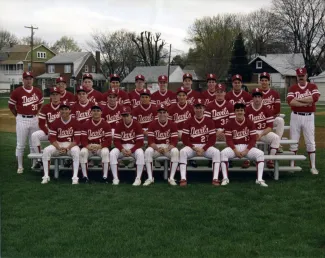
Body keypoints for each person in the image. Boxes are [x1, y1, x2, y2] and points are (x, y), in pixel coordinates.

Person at [220, 103, 268, 187]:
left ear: (244, 111)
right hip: (234, 147)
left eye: (241, 110)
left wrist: (247, 150)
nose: (239, 112)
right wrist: (235, 150)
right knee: (223, 153)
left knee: (260, 154)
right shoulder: (229, 123)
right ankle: (225, 178)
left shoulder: (249, 122)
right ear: (234, 112)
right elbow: (229, 140)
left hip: (247, 147)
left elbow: (253, 139)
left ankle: (259, 179)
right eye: (237, 110)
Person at [286, 67, 321, 175]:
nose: (301, 77)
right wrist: (306, 102)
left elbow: (314, 98)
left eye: (303, 75)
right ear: (297, 77)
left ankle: (313, 167)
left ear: (306, 76)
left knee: (310, 142)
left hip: (309, 117)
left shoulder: (312, 86)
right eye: (299, 76)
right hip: (295, 116)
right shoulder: (292, 88)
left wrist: (299, 100)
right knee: (294, 141)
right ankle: (292, 166)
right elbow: (291, 102)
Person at [179, 98, 221, 186]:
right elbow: (184, 138)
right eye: (197, 108)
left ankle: (215, 178)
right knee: (182, 152)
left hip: (205, 147)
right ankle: (183, 178)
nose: (198, 110)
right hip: (192, 147)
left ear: (204, 109)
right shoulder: (188, 121)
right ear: (194, 109)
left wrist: (204, 148)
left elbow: (212, 138)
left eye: (200, 108)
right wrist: (193, 147)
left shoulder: (209, 121)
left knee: (216, 152)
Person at [8, 71, 44, 174]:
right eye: (26, 79)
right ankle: (20, 166)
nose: (28, 80)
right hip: (22, 119)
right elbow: (11, 106)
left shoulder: (37, 91)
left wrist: (35, 112)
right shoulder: (17, 91)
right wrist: (17, 115)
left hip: (34, 118)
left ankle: (34, 164)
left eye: (30, 78)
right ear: (23, 80)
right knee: (20, 144)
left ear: (33, 80)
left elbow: (40, 103)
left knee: (33, 143)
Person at [41, 101, 81, 184]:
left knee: (76, 151)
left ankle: (75, 177)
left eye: (66, 109)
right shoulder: (55, 122)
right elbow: (52, 139)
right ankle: (46, 176)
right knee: (46, 150)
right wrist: (59, 148)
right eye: (62, 109)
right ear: (59, 111)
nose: (64, 111)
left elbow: (77, 140)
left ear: (70, 111)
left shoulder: (75, 122)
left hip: (70, 145)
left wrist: (67, 148)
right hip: (58, 145)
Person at [145, 104, 179, 186]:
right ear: (157, 114)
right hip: (156, 147)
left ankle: (171, 178)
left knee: (175, 151)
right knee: (147, 151)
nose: (162, 114)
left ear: (167, 114)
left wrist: (167, 149)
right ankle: (150, 178)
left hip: (167, 147)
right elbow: (150, 141)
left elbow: (174, 141)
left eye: (164, 112)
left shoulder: (172, 124)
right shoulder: (152, 124)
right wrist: (157, 148)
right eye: (160, 112)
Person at [109, 106, 145, 185]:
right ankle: (115, 178)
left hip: (134, 147)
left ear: (131, 115)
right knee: (112, 153)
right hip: (122, 147)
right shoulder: (119, 124)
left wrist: (132, 150)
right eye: (123, 116)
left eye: (127, 115)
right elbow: (116, 141)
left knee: (141, 153)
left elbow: (140, 142)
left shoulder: (137, 124)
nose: (125, 117)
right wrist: (122, 149)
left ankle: (138, 178)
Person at [251, 72, 285, 152]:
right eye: (262, 80)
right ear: (260, 82)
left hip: (271, 118)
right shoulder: (256, 93)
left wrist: (267, 115)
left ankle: (278, 143)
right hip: (259, 120)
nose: (264, 82)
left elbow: (277, 109)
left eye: (266, 80)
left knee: (280, 120)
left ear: (269, 81)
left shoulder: (275, 93)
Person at [246, 91, 280, 169]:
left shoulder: (267, 109)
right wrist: (253, 134)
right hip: (251, 132)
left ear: (262, 99)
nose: (257, 99)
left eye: (259, 97)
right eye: (255, 97)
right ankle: (247, 160)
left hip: (263, 132)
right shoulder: (247, 109)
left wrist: (260, 135)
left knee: (276, 138)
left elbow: (270, 127)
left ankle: (270, 160)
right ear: (252, 98)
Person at [225, 74, 253, 168]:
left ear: (242, 84)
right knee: (230, 138)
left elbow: (249, 111)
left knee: (249, 136)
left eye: (239, 82)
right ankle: (229, 158)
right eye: (235, 83)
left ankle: (247, 159)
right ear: (232, 84)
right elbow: (225, 111)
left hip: (244, 121)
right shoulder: (227, 95)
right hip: (231, 122)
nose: (237, 84)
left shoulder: (247, 95)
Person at [80, 105, 112, 183]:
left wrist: (101, 146)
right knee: (83, 152)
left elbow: (108, 140)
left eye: (98, 111)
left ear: (101, 112)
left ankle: (105, 177)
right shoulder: (85, 124)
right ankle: (85, 177)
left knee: (105, 152)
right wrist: (87, 146)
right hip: (89, 147)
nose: (96, 112)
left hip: (100, 147)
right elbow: (83, 139)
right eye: (94, 111)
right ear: (91, 112)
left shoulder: (106, 124)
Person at [31, 86, 61, 168]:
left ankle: (68, 160)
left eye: (57, 94)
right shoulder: (45, 107)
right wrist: (49, 132)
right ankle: (39, 160)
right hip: (50, 132)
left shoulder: (64, 107)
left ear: (60, 95)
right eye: (53, 94)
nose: (55, 96)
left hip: (62, 134)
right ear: (50, 96)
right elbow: (41, 124)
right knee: (34, 135)